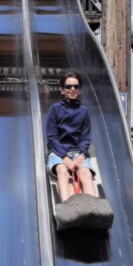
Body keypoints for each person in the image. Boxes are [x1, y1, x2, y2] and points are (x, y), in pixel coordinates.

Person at [46, 71, 98, 203]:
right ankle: (67, 206)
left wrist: (81, 155)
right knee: (62, 170)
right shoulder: (55, 109)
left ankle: (94, 206)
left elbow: (85, 137)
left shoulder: (84, 112)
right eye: (68, 87)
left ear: (80, 90)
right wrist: (65, 158)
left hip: (77, 152)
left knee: (85, 173)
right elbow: (52, 136)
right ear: (62, 90)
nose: (72, 89)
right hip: (59, 152)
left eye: (76, 86)